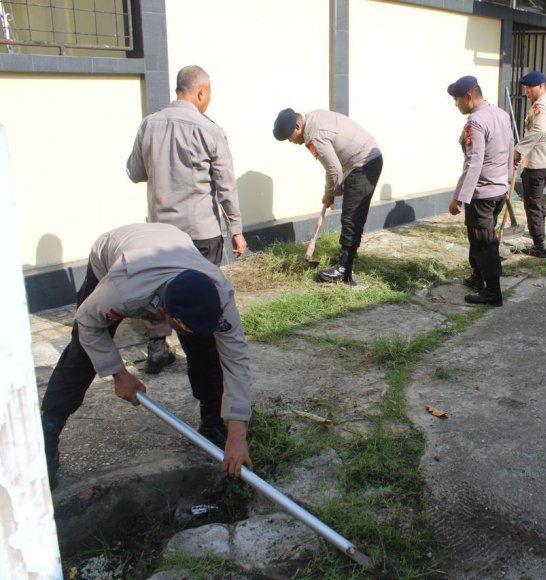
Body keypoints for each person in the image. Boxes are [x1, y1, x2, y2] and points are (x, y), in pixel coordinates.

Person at [41, 223, 255, 488]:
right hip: (117, 252)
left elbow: (236, 359)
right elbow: (87, 322)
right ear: (163, 316)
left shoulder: (218, 293)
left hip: (171, 243)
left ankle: (212, 422)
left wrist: (237, 430)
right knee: (82, 354)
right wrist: (118, 372)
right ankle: (46, 438)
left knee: (206, 347)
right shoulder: (121, 291)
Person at [127, 65, 248, 375]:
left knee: (158, 288)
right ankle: (207, 352)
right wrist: (236, 229)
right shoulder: (210, 130)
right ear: (201, 93)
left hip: (161, 233)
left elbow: (135, 173)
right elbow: (225, 186)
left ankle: (157, 347)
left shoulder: (148, 125)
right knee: (204, 292)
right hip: (200, 232)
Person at [272, 108, 383, 285]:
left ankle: (344, 271)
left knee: (352, 217)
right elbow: (332, 167)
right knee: (351, 214)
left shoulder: (314, 136)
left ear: (298, 125)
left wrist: (330, 193)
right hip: (363, 160)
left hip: (364, 163)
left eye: (289, 136)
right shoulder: (314, 118)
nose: (290, 141)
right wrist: (330, 192)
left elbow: (333, 170)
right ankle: (345, 260)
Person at [447, 75, 514, 306]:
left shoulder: (475, 122)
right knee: (480, 239)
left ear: (469, 97)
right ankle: (478, 278)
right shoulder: (501, 114)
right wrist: (505, 182)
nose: (456, 105)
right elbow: (510, 148)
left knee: (484, 242)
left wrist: (459, 197)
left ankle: (492, 292)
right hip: (497, 190)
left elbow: (474, 162)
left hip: (483, 192)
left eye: (457, 100)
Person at [514, 71, 546, 258]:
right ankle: (540, 230)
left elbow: (538, 130)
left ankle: (539, 245)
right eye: (525, 88)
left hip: (538, 162)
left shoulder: (541, 106)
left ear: (541, 86)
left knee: (532, 202)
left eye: (529, 88)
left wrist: (518, 151)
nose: (527, 91)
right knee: (538, 198)